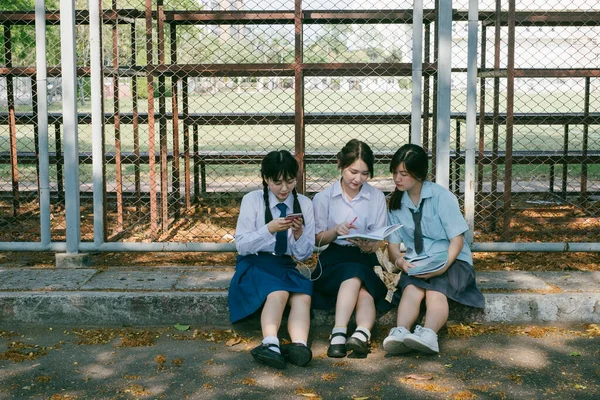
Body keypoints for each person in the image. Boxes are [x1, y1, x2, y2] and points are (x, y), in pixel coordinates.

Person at [383, 143, 485, 355]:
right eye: (394, 173)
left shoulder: (441, 197)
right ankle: (400, 332)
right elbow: (393, 247)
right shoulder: (396, 203)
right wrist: (401, 262)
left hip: (452, 260)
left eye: (403, 173)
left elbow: (457, 240)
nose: (397, 179)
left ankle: (429, 334)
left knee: (434, 289)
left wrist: (443, 266)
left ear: (419, 174)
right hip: (419, 263)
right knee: (411, 288)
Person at [228, 150, 315, 369]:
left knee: (303, 295)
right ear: (266, 179)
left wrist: (298, 234)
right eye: (277, 182)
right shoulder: (253, 200)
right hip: (255, 263)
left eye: (290, 181)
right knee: (279, 292)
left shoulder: (304, 204)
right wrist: (268, 229)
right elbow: (242, 245)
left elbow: (304, 255)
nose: (284, 189)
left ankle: (299, 345)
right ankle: (270, 344)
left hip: (284, 264)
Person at [311, 139, 392, 358]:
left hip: (364, 255)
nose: (358, 179)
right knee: (355, 278)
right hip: (333, 257)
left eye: (364, 173)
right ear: (340, 164)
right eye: (353, 171)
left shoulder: (375, 197)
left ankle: (356, 334)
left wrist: (369, 245)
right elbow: (317, 241)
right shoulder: (324, 198)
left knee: (363, 288)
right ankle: (347, 333)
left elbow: (379, 238)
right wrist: (336, 230)